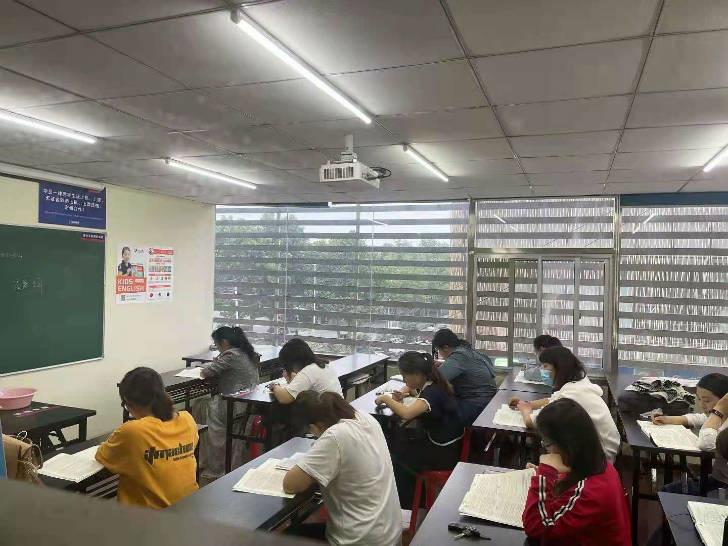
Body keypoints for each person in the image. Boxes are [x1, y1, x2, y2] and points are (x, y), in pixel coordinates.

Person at [283, 391, 401, 546]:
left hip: (360, 540)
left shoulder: (335, 436)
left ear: (315, 427)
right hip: (388, 535)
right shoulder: (365, 418)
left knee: (286, 536)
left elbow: (290, 484)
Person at [522, 398, 631, 546]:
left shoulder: (590, 492)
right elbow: (571, 484)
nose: (546, 450)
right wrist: (547, 475)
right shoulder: (600, 465)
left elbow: (536, 526)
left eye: (547, 444)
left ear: (567, 445)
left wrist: (544, 475)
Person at [95, 367, 198, 509]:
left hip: (147, 517)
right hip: (188, 508)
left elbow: (102, 456)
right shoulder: (187, 419)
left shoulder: (132, 431)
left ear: (129, 402)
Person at [376, 351, 464, 507]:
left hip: (442, 453)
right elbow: (421, 403)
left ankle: (408, 505)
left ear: (417, 374)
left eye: (405, 376)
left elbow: (407, 413)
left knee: (396, 456)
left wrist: (385, 398)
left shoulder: (431, 392)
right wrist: (406, 395)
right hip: (451, 445)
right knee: (403, 440)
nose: (404, 380)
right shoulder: (436, 384)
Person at [510, 346, 620, 461]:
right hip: (602, 446)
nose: (542, 370)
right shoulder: (578, 383)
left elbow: (532, 422)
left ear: (559, 368)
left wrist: (525, 410)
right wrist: (528, 404)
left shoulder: (571, 394)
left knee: (548, 449)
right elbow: (552, 400)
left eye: (545, 366)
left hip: (599, 457)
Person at [196, 326, 259, 479]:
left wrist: (209, 365)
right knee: (205, 403)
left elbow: (206, 372)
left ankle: (209, 462)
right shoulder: (247, 353)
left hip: (234, 405)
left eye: (217, 344)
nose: (217, 348)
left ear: (224, 342)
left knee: (199, 405)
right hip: (248, 403)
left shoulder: (231, 355)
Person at [653, 372, 728, 495]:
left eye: (707, 400)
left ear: (724, 401)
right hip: (717, 478)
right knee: (667, 490)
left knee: (669, 492)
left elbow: (706, 444)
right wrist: (667, 419)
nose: (702, 405)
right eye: (699, 399)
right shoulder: (718, 418)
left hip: (723, 486)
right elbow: (697, 418)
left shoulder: (720, 418)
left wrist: (718, 410)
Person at [423, 328, 497, 425]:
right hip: (489, 401)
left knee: (433, 411)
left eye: (439, 350)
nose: (440, 354)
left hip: (477, 405)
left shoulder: (459, 357)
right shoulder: (469, 351)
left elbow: (437, 378)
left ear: (445, 347)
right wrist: (445, 364)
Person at [270, 338, 342, 404]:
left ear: (292, 362)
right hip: (339, 409)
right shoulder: (323, 365)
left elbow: (284, 398)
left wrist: (275, 386)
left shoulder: (308, 372)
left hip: (327, 413)